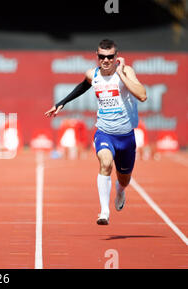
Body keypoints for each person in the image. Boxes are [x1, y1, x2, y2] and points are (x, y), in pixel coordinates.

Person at [44, 39, 147, 225]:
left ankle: (120, 190)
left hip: (126, 137)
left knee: (124, 179)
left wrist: (122, 75)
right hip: (104, 132)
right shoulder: (93, 74)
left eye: (109, 57)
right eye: (102, 57)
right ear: (97, 56)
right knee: (105, 163)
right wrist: (61, 103)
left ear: (116, 56)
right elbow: (83, 86)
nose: (105, 60)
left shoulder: (127, 71)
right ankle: (104, 211)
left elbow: (142, 95)